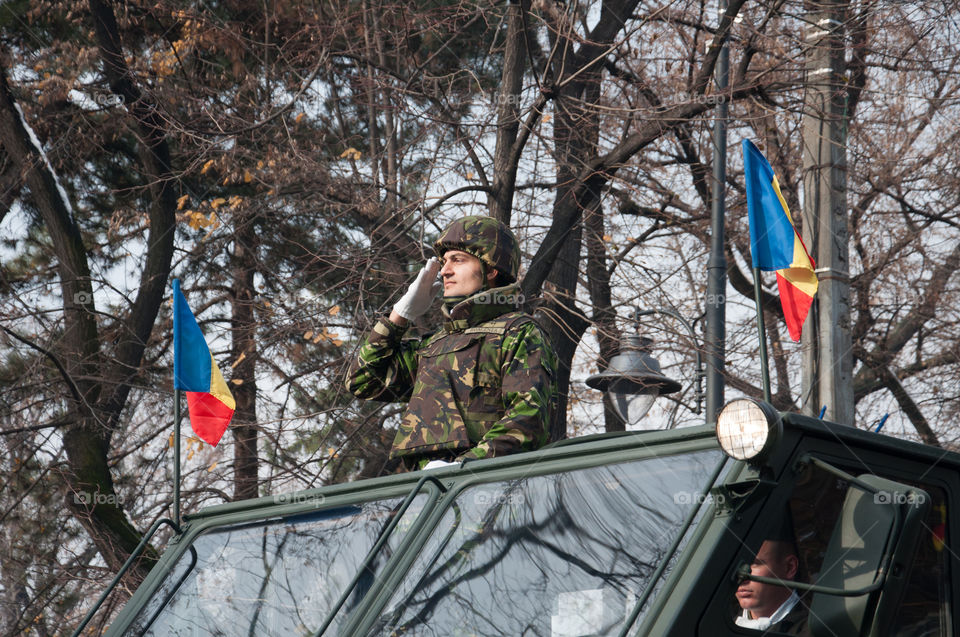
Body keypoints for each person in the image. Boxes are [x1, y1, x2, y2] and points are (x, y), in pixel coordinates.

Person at [345, 215, 557, 471]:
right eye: (445, 261)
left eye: (458, 260)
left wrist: (462, 469)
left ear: (490, 269)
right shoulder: (433, 346)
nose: (445, 270)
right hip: (427, 493)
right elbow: (362, 381)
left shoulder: (519, 332)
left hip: (490, 491)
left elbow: (528, 420)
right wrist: (400, 316)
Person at [735, 538, 810, 635]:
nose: (741, 576)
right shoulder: (715, 620)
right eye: (736, 565)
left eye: (754, 564)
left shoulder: (816, 629)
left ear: (789, 567)